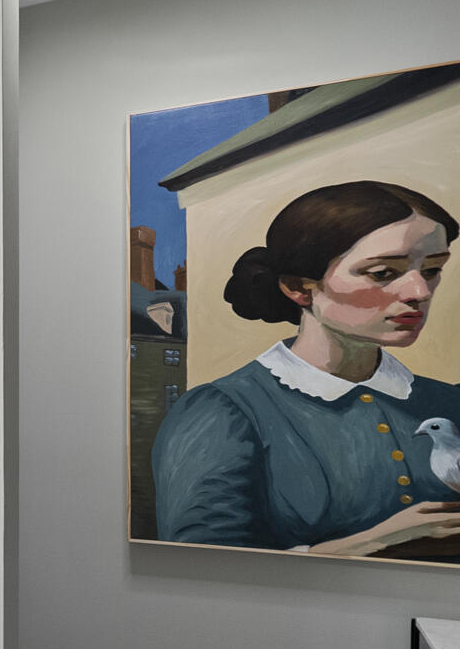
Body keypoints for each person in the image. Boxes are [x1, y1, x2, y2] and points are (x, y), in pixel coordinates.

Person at [154, 180, 460, 556]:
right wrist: (373, 542)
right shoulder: (223, 411)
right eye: (383, 272)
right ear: (300, 287)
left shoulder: (449, 403)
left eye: (431, 270)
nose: (420, 291)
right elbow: (198, 565)